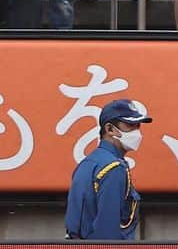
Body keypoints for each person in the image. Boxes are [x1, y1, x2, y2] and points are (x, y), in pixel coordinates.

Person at [64, 99, 152, 241]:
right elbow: (107, 230)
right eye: (130, 125)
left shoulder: (87, 163)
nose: (137, 132)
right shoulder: (114, 168)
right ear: (110, 129)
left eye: (138, 126)